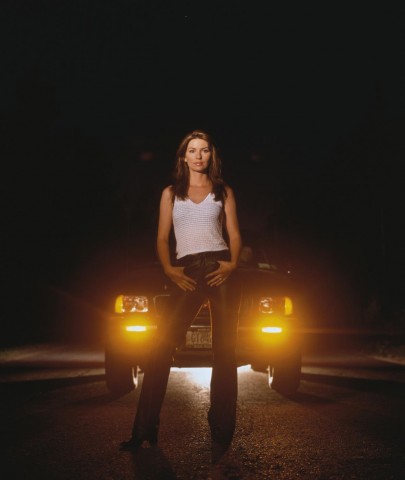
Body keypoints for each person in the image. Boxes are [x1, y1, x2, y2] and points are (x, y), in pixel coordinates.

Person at [120, 129, 242, 457]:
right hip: (186, 271)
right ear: (183, 157)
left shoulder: (223, 191)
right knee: (160, 347)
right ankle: (144, 429)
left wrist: (231, 265)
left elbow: (234, 234)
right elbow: (162, 238)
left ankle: (222, 430)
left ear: (211, 155)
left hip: (219, 270)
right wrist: (170, 270)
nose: (199, 156)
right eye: (192, 150)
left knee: (225, 351)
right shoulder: (171, 193)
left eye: (204, 150)